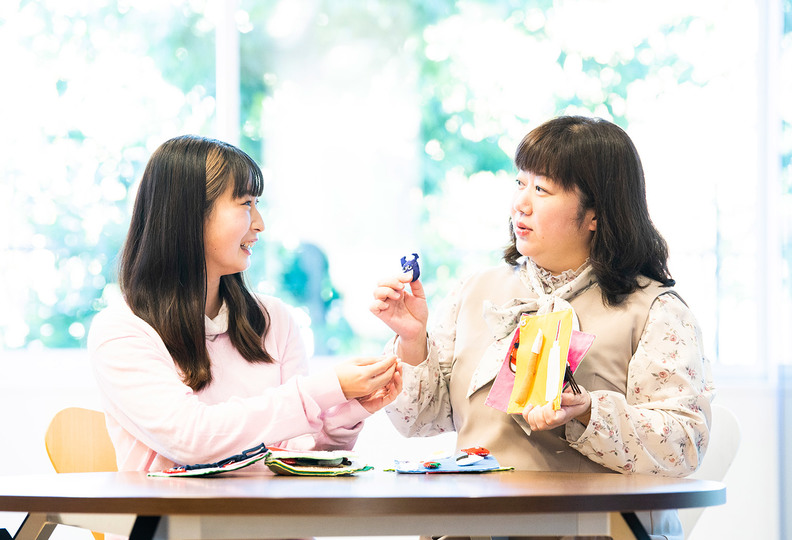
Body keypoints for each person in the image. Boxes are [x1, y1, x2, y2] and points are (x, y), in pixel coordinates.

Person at [370, 116, 714, 540]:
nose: (521, 204)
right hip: (471, 530)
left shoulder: (654, 310)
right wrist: (411, 340)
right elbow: (417, 421)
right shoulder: (476, 290)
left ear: (595, 214)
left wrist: (588, 410)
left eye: (542, 189)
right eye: (520, 183)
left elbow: (684, 444)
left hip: (594, 531)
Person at [89, 134, 402, 473]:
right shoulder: (121, 331)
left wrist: (346, 411)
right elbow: (193, 439)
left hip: (272, 524)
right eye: (245, 204)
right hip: (177, 526)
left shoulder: (273, 319)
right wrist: (325, 389)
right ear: (190, 214)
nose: (259, 224)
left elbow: (291, 457)